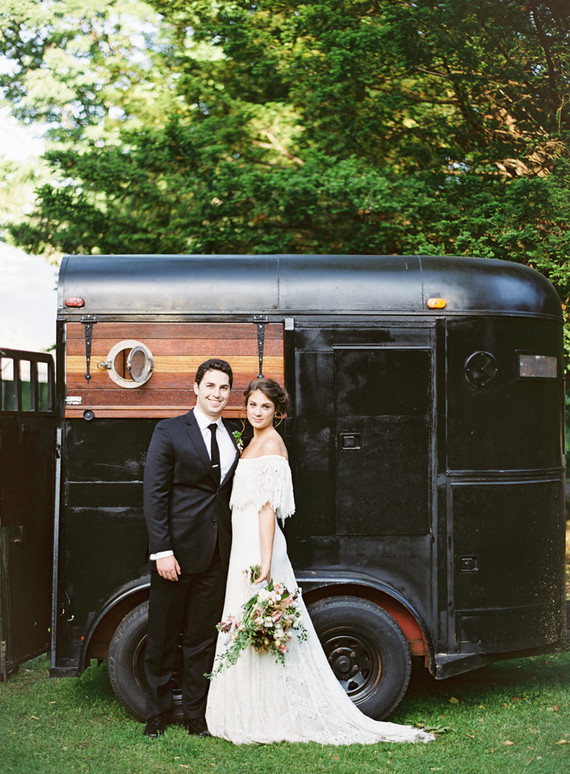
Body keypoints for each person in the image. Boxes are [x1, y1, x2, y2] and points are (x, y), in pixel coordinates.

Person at [205, 377, 434, 745]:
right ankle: (255, 706)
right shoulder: (250, 441)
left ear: (277, 412)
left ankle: (269, 712)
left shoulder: (272, 445)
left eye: (265, 407)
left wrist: (265, 563)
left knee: (262, 626)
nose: (257, 412)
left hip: (259, 547)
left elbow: (267, 510)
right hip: (245, 543)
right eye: (252, 405)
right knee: (249, 626)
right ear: (244, 407)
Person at [142, 358, 239, 738]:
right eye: (211, 386)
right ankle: (157, 713)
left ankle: (195, 715)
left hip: (217, 554)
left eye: (224, 388)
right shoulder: (169, 431)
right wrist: (161, 550)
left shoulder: (233, 435)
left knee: (202, 638)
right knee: (163, 636)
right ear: (196, 388)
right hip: (175, 555)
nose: (217, 394)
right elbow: (154, 494)